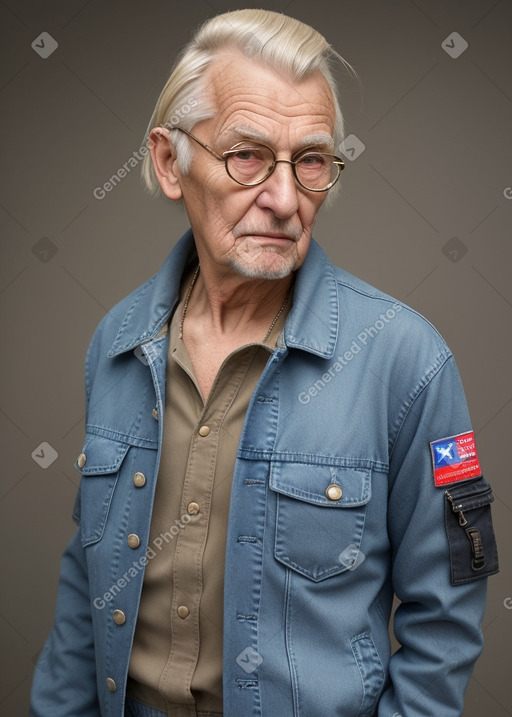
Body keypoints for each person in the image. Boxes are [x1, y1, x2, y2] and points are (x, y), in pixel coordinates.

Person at [31, 9, 499, 717]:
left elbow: (447, 619)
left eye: (310, 160)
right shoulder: (117, 340)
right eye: (247, 154)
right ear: (168, 161)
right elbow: (84, 584)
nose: (284, 199)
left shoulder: (408, 359)